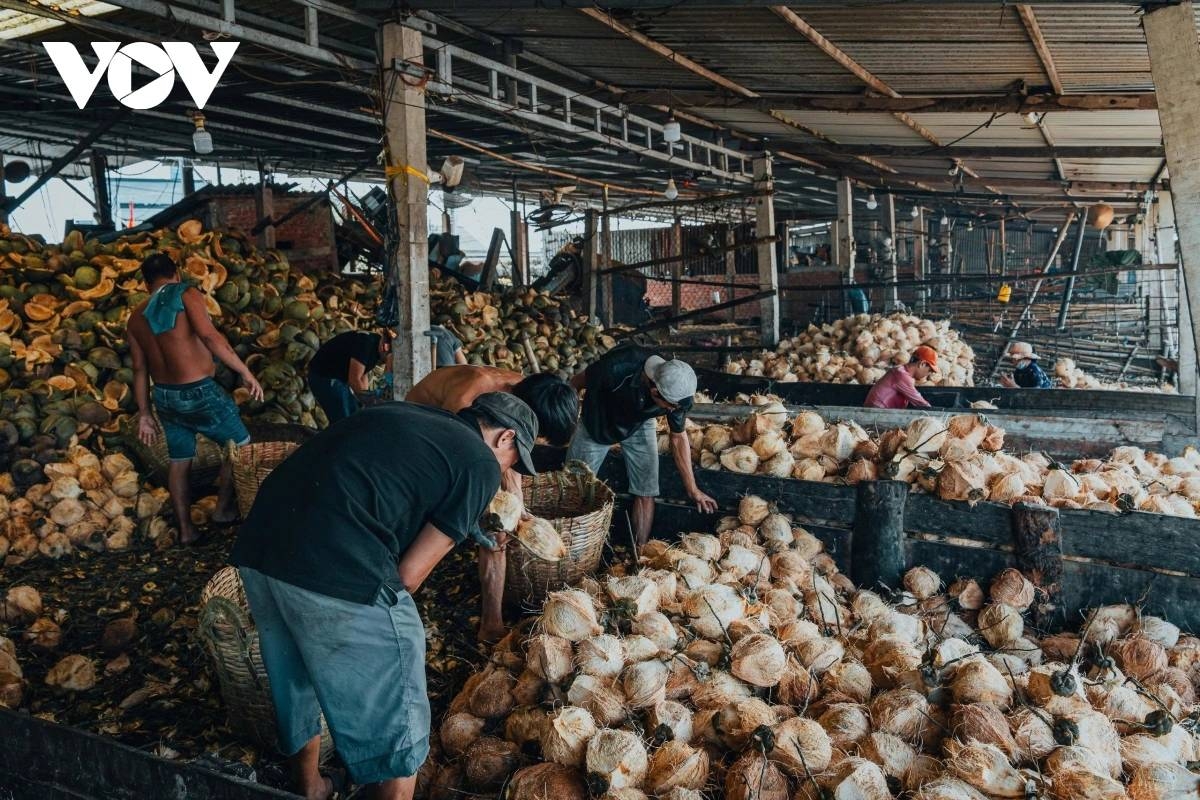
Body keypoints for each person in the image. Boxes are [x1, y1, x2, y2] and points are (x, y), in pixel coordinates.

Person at [230, 394, 538, 800]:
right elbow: (408, 576)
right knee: (400, 712)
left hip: (261, 547)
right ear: (505, 437)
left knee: (296, 672)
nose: (506, 472)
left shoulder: (408, 412)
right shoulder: (480, 462)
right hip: (334, 562)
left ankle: (310, 786)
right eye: (513, 460)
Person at [406, 366, 578, 641]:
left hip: (478, 446)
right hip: (423, 439)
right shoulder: (475, 391)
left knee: (500, 526)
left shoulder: (528, 397)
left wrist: (518, 513)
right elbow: (457, 456)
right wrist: (477, 513)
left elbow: (510, 467)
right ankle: (403, 596)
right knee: (435, 520)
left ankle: (491, 623)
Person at [127, 253, 264, 545]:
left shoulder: (136, 315)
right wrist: (245, 372)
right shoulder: (186, 293)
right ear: (175, 273)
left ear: (145, 283)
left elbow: (139, 369)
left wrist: (145, 414)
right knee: (240, 446)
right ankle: (223, 511)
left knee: (180, 460)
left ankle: (187, 530)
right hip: (200, 392)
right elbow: (210, 337)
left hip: (163, 396)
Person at [567, 345, 717, 547]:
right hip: (598, 421)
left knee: (646, 489)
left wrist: (693, 489)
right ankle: (572, 546)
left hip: (640, 422)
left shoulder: (677, 395)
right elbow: (574, 384)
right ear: (655, 392)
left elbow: (677, 437)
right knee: (573, 488)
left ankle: (639, 553)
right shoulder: (615, 368)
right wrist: (567, 423)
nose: (673, 411)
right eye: (670, 407)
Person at [307, 329, 391, 425]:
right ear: (385, 347)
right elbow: (355, 379)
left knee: (354, 414)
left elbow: (363, 375)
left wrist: (367, 401)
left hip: (339, 379)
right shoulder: (365, 343)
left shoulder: (376, 350)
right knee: (344, 421)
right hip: (324, 376)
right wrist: (371, 403)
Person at [864, 345, 938, 410]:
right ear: (922, 364)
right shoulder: (902, 376)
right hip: (876, 415)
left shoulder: (901, 372)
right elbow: (920, 402)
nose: (929, 374)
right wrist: (936, 413)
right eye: (930, 370)